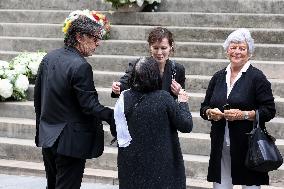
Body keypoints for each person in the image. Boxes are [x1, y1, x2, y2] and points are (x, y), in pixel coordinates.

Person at [34, 11, 115, 189]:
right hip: (70, 142)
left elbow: (38, 99)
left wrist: (42, 128)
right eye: (94, 38)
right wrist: (113, 115)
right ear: (79, 37)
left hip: (48, 136)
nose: (98, 43)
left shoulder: (49, 58)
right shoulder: (80, 66)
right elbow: (90, 106)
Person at [200, 28, 276, 189]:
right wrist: (209, 113)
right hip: (221, 144)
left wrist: (244, 115)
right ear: (227, 50)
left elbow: (269, 110)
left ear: (249, 52)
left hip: (248, 146)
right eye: (233, 47)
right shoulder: (218, 76)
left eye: (242, 48)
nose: (237, 52)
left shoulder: (257, 77)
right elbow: (204, 107)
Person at [114, 57, 193, 189]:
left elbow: (115, 128)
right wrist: (183, 102)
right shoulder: (164, 98)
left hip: (131, 162)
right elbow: (186, 125)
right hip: (161, 164)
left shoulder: (124, 97)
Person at [111, 27, 186, 99]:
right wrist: (117, 87)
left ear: (171, 47)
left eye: (163, 48)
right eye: (155, 48)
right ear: (150, 47)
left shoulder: (178, 69)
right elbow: (124, 83)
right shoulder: (138, 65)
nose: (159, 52)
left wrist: (179, 93)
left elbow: (182, 98)